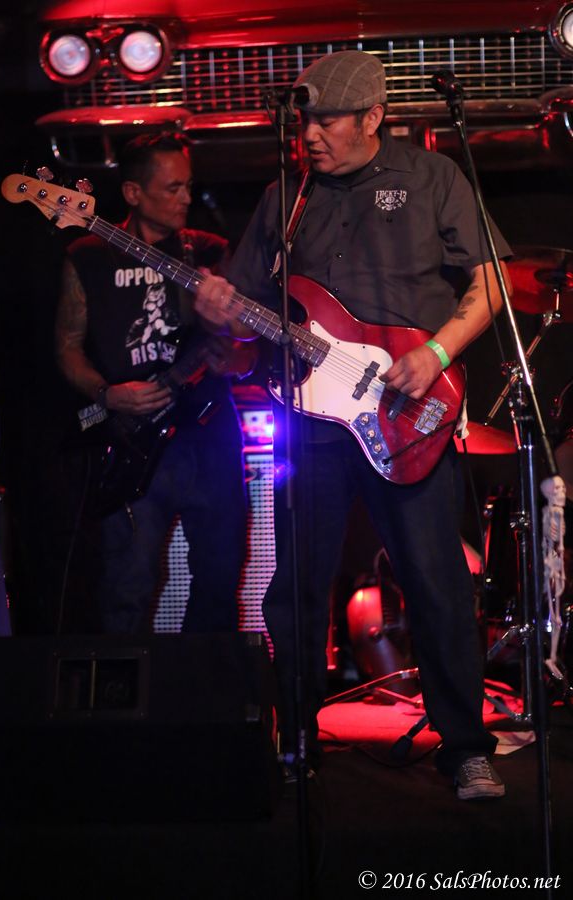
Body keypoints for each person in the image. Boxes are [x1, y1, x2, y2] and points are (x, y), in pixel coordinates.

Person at [194, 50, 513, 799]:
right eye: (304, 120)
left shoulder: (432, 177)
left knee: (436, 583)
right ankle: (297, 737)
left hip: (409, 413)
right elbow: (246, 312)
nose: (309, 134)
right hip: (310, 417)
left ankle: (465, 748)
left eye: (328, 121)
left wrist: (436, 353)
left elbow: (492, 280)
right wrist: (217, 311)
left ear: (373, 117)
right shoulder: (286, 197)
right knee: (296, 585)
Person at [55, 133, 255, 634]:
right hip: (132, 444)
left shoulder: (207, 252)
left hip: (208, 437)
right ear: (133, 193)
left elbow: (246, 345)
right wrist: (107, 394)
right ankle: (126, 685)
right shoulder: (89, 256)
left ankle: (204, 681)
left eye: (188, 185)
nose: (186, 197)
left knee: (219, 578)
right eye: (172, 188)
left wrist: (228, 339)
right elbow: (67, 347)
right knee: (127, 588)